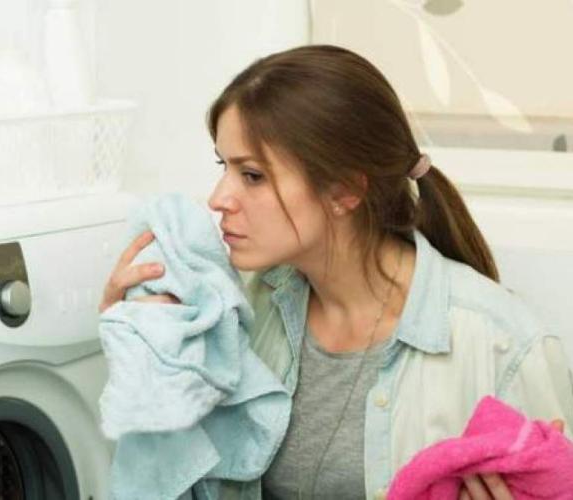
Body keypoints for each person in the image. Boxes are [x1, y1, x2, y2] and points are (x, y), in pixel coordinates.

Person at [98, 45, 573, 500]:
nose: (219, 198)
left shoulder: (502, 345)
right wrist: (140, 349)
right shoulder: (232, 313)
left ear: (345, 191)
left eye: (252, 175)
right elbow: (172, 473)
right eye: (224, 166)